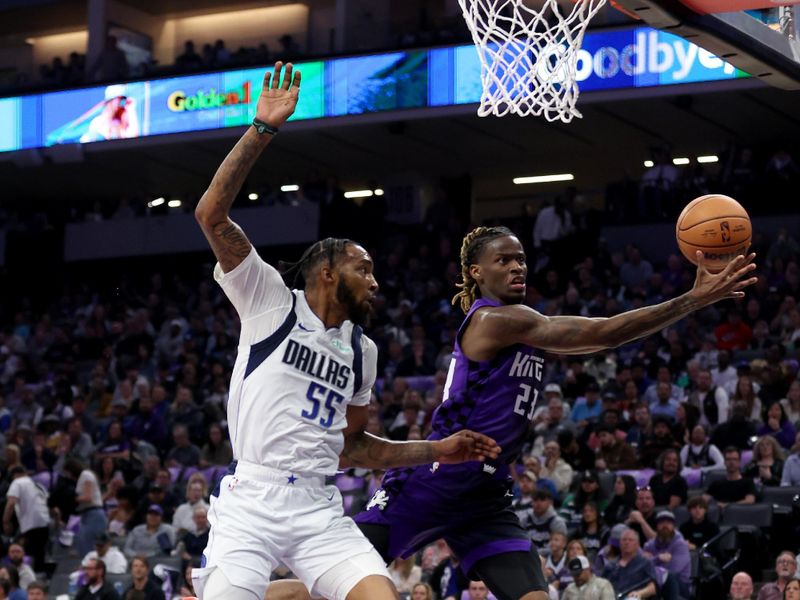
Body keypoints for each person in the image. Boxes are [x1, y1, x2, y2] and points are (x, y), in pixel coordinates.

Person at [274, 220, 755, 600]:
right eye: (503, 260)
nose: (517, 267)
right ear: (477, 272)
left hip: (486, 493)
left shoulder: (523, 323)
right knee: (328, 588)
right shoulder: (495, 320)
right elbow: (603, 334)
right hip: (434, 483)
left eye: (521, 259)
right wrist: (693, 299)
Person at [192, 62, 501, 600]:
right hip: (252, 500)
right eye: (365, 270)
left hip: (317, 506)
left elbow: (354, 447)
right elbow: (212, 214)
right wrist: (263, 128)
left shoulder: (363, 350)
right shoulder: (269, 302)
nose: (376, 282)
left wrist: (439, 448)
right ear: (329, 274)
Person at [2, 465, 50, 571]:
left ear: (15, 475)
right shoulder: (37, 484)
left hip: (31, 523)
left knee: (28, 553)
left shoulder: (17, 482)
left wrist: (5, 521)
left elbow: (11, 503)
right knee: (39, 555)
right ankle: (38, 575)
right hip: (44, 523)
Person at [642, 511, 691, 598]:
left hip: (681, 586)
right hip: (655, 583)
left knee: (669, 577)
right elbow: (642, 567)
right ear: (656, 526)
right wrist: (658, 558)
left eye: (668, 523)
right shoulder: (649, 545)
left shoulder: (680, 544)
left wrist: (652, 560)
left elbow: (674, 570)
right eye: (661, 523)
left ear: (674, 526)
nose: (665, 526)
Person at [601, 528, 657, 598]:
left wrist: (640, 593)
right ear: (620, 543)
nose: (627, 542)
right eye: (624, 540)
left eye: (630, 540)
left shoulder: (645, 563)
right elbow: (601, 584)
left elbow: (652, 588)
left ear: (637, 544)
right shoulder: (610, 565)